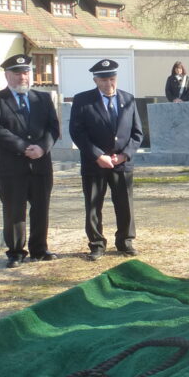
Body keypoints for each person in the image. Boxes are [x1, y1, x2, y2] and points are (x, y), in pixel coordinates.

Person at [0, 54, 61, 268]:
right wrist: (23, 147)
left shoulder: (42, 99)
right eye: (17, 74)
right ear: (7, 76)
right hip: (12, 167)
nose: (22, 78)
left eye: (25, 73)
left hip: (40, 165)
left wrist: (43, 147)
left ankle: (39, 249)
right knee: (14, 210)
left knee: (41, 208)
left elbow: (53, 128)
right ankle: (16, 252)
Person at [69, 59, 144, 261]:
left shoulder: (128, 99)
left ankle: (125, 241)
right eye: (103, 80)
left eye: (112, 79)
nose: (108, 84)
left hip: (122, 163)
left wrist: (124, 155)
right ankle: (96, 244)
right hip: (95, 164)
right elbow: (77, 132)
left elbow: (137, 134)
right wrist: (98, 155)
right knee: (94, 205)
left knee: (125, 204)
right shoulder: (83, 100)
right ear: (95, 80)